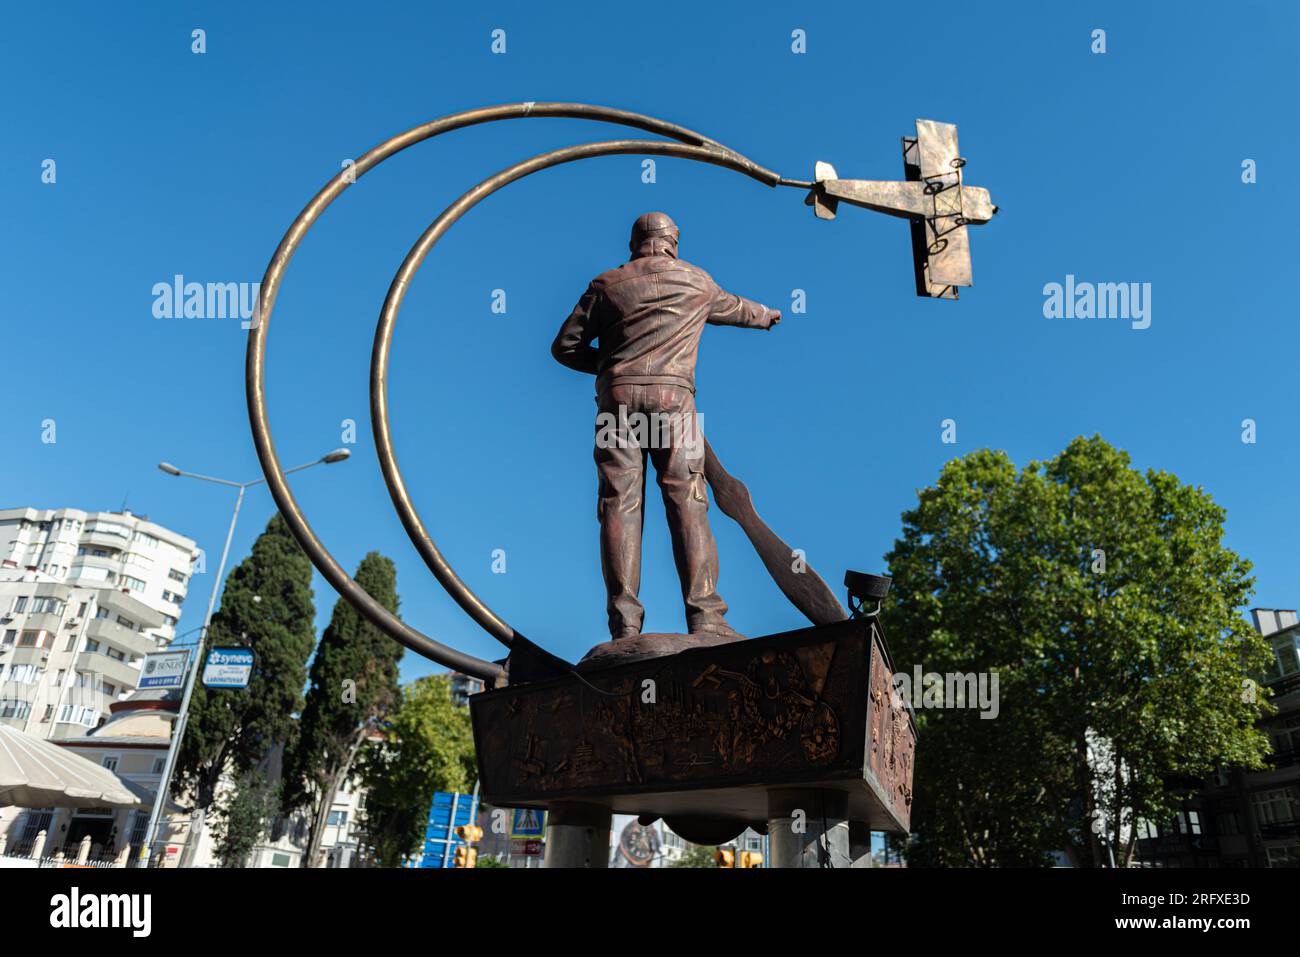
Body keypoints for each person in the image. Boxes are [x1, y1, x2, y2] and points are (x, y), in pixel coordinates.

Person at [551, 211, 781, 640]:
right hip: (674, 403)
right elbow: (740, 310)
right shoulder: (698, 282)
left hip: (615, 403)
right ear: (673, 241)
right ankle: (706, 617)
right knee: (687, 501)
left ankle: (624, 623)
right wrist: (768, 314)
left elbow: (564, 347)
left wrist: (610, 368)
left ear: (635, 242)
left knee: (618, 503)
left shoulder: (606, 284)